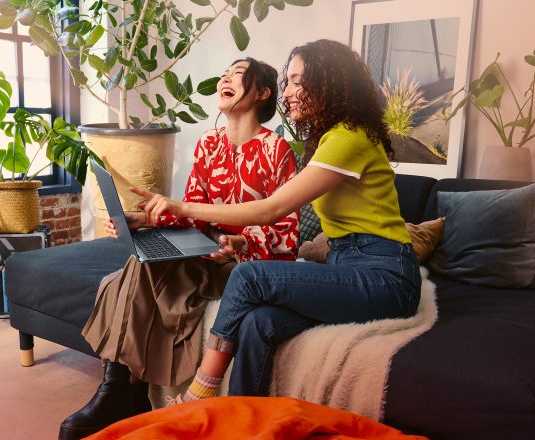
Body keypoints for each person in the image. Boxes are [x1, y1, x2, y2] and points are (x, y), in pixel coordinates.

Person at [133, 39, 422, 403]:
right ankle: (241, 415)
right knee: (259, 322)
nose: (289, 93)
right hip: (346, 263)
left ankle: (199, 394)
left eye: (299, 81)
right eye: (289, 81)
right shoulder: (327, 139)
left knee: (248, 276)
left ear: (329, 82)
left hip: (386, 276)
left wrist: (182, 207)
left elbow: (270, 210)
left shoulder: (350, 138)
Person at [58, 57, 300, 440]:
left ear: (262, 92)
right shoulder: (208, 143)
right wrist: (145, 222)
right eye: (223, 73)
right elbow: (192, 209)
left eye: (237, 75)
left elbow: (287, 234)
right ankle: (121, 388)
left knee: (136, 272)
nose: (225, 78)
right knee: (143, 258)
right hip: (201, 248)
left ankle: (120, 390)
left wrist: (242, 241)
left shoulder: (278, 150)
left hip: (243, 262)